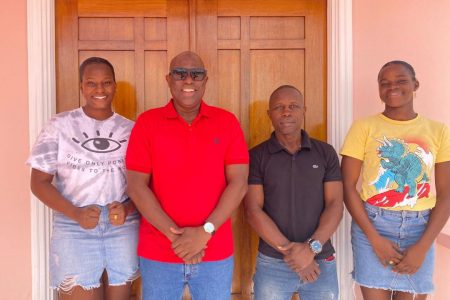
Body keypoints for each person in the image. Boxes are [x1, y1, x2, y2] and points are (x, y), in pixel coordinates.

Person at [125, 51, 249, 300]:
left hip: (214, 251)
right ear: (168, 79)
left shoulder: (226, 122)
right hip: (159, 251)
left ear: (206, 79)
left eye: (196, 74)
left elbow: (239, 183)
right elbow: (137, 186)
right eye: (180, 74)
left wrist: (205, 232)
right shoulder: (147, 123)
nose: (188, 80)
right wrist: (177, 238)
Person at [28, 57, 140, 300]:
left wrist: (127, 207)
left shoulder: (132, 130)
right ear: (81, 86)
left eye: (106, 83)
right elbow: (38, 182)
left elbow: (143, 184)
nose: (99, 90)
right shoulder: (59, 126)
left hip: (121, 226)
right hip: (74, 225)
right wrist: (75, 213)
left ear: (115, 86)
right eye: (91, 83)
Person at [341, 60, 450, 300]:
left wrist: (422, 247)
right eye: (385, 83)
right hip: (373, 224)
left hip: (421, 228)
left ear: (415, 84)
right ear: (379, 89)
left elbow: (446, 194)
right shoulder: (363, 127)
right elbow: (347, 186)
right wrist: (374, 239)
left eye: (401, 80)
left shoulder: (438, 130)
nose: (392, 87)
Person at [244, 85, 343, 300]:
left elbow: (335, 204)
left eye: (293, 106)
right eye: (278, 107)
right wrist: (290, 250)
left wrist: (311, 250)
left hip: (320, 260)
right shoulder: (257, 156)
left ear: (304, 110)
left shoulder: (325, 152)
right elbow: (253, 210)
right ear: (269, 114)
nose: (286, 112)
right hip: (273, 262)